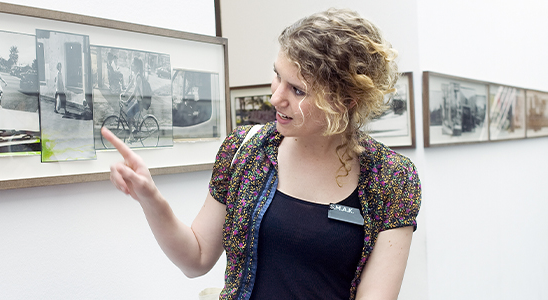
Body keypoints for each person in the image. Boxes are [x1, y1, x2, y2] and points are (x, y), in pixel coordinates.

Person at [102, 8, 420, 300]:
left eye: (297, 90)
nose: (275, 97)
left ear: (344, 101)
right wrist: (151, 198)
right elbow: (195, 259)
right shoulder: (245, 151)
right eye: (277, 76)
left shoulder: (390, 178)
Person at [120, 57, 145, 142]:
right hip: (137, 100)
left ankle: (132, 137)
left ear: (137, 66)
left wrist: (127, 101)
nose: (131, 65)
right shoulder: (135, 75)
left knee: (129, 113)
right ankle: (135, 129)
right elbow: (130, 84)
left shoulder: (138, 77)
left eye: (133, 64)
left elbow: (134, 93)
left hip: (141, 101)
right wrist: (124, 92)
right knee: (130, 114)